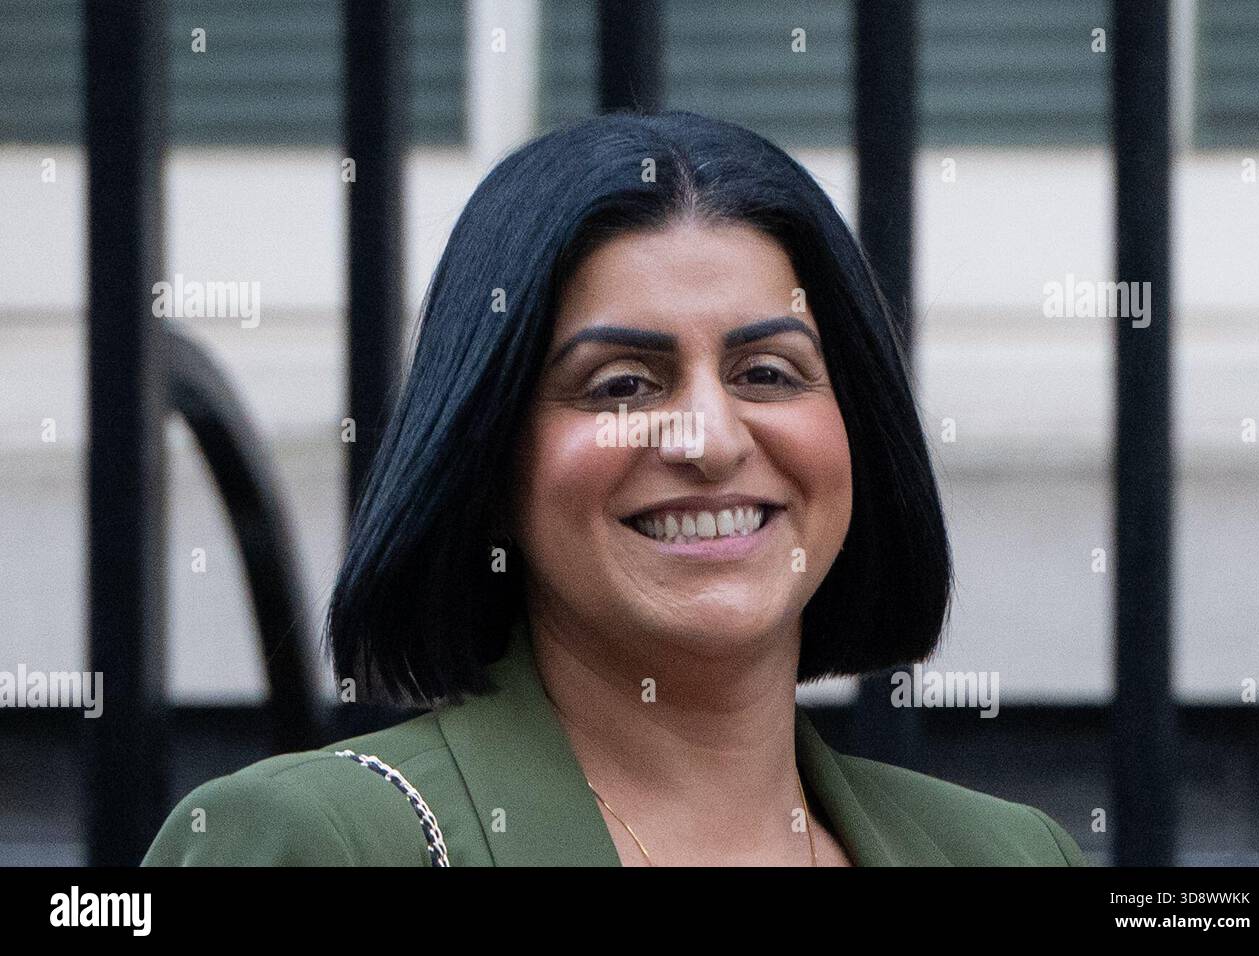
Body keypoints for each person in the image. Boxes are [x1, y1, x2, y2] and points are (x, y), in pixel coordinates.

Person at [143, 110, 1088, 867]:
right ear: (493, 458)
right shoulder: (314, 845)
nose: (710, 441)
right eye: (623, 386)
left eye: (767, 372)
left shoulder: (1009, 853)